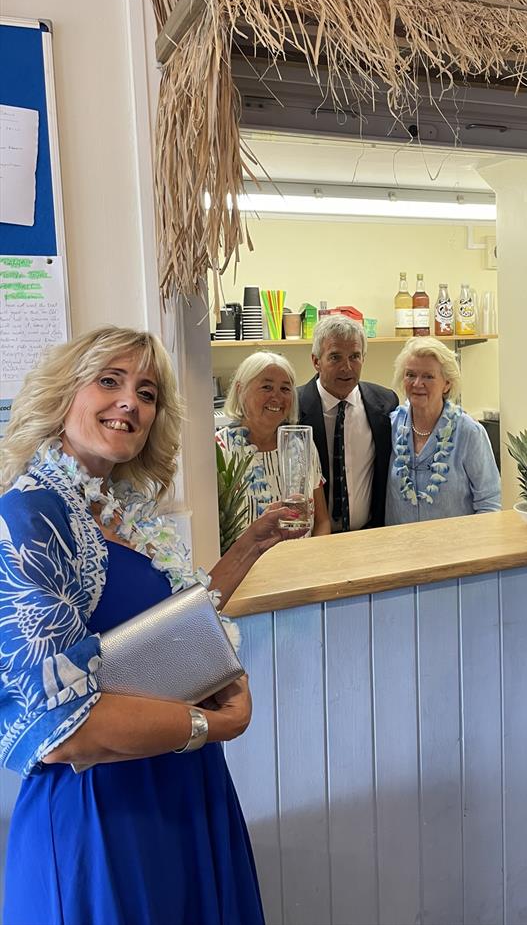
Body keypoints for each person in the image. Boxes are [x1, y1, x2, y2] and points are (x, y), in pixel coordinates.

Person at [0, 326, 302, 925]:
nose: (130, 403)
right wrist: (214, 724)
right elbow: (63, 730)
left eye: (147, 392)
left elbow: (166, 630)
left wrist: (251, 546)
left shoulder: (116, 508)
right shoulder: (29, 516)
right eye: (109, 381)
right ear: (66, 392)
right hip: (104, 813)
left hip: (178, 788)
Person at [385, 336, 501, 525]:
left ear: (447, 383)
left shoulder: (469, 433)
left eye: (428, 376)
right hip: (399, 549)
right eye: (410, 375)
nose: (417, 383)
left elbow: (489, 503)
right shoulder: (391, 426)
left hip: (457, 550)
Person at [298, 315, 398, 531]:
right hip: (313, 541)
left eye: (355, 356)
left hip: (371, 536)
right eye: (335, 357)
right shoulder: (293, 410)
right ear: (316, 361)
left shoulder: (386, 403)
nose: (347, 367)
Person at [216, 351, 330, 537]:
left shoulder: (302, 445)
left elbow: (322, 521)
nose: (276, 397)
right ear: (240, 390)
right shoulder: (220, 450)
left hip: (303, 562)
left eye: (285, 389)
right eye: (267, 387)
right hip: (248, 565)